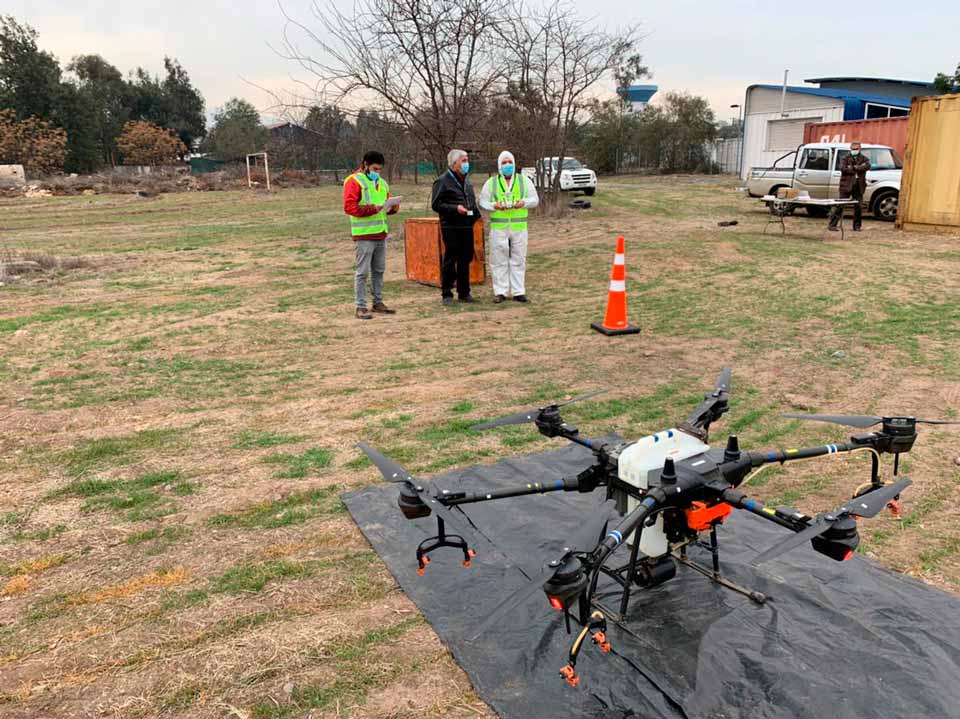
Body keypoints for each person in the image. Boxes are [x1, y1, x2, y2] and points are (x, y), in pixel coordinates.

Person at [343, 150, 400, 320]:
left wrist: (393, 208)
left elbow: (385, 204)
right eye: (375, 169)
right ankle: (360, 306)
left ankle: (378, 302)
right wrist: (372, 209)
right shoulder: (353, 181)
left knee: (379, 270)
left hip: (380, 234)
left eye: (380, 169)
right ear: (365, 165)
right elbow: (349, 207)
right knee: (362, 272)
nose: (378, 172)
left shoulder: (382, 183)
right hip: (364, 235)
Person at [479, 150, 539, 303]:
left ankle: (519, 291)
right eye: (504, 163)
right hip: (499, 227)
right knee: (498, 259)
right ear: (499, 165)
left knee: (519, 258)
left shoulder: (524, 180)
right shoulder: (491, 183)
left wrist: (523, 202)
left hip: (519, 226)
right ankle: (501, 292)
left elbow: (535, 199)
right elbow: (483, 202)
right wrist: (495, 206)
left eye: (510, 162)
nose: (507, 165)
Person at [431, 149, 480, 305]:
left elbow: (471, 201)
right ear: (454, 163)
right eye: (464, 160)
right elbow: (436, 204)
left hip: (467, 225)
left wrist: (477, 216)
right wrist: (455, 208)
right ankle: (447, 293)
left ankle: (464, 292)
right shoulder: (442, 181)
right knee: (451, 258)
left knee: (466, 258)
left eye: (467, 160)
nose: (467, 163)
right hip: (451, 225)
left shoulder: (466, 180)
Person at [829, 142, 871, 233]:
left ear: (859, 149)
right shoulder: (845, 158)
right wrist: (858, 167)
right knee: (840, 205)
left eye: (856, 149)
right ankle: (832, 225)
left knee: (858, 207)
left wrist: (853, 167)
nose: (854, 150)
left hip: (858, 186)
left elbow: (867, 166)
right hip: (846, 186)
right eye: (853, 149)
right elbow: (843, 168)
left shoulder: (864, 158)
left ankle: (857, 226)